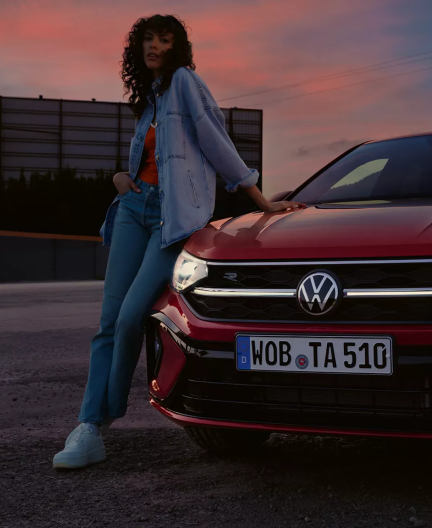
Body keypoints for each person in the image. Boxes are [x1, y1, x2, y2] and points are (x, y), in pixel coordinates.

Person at [53, 14, 304, 469]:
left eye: (164, 39)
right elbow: (151, 158)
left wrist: (260, 200)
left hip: (171, 218)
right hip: (133, 209)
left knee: (132, 317)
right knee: (108, 321)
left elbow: (215, 139)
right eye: (148, 39)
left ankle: (105, 415)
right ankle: (89, 428)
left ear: (177, 47)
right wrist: (120, 176)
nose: (154, 46)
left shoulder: (186, 82)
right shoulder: (148, 97)